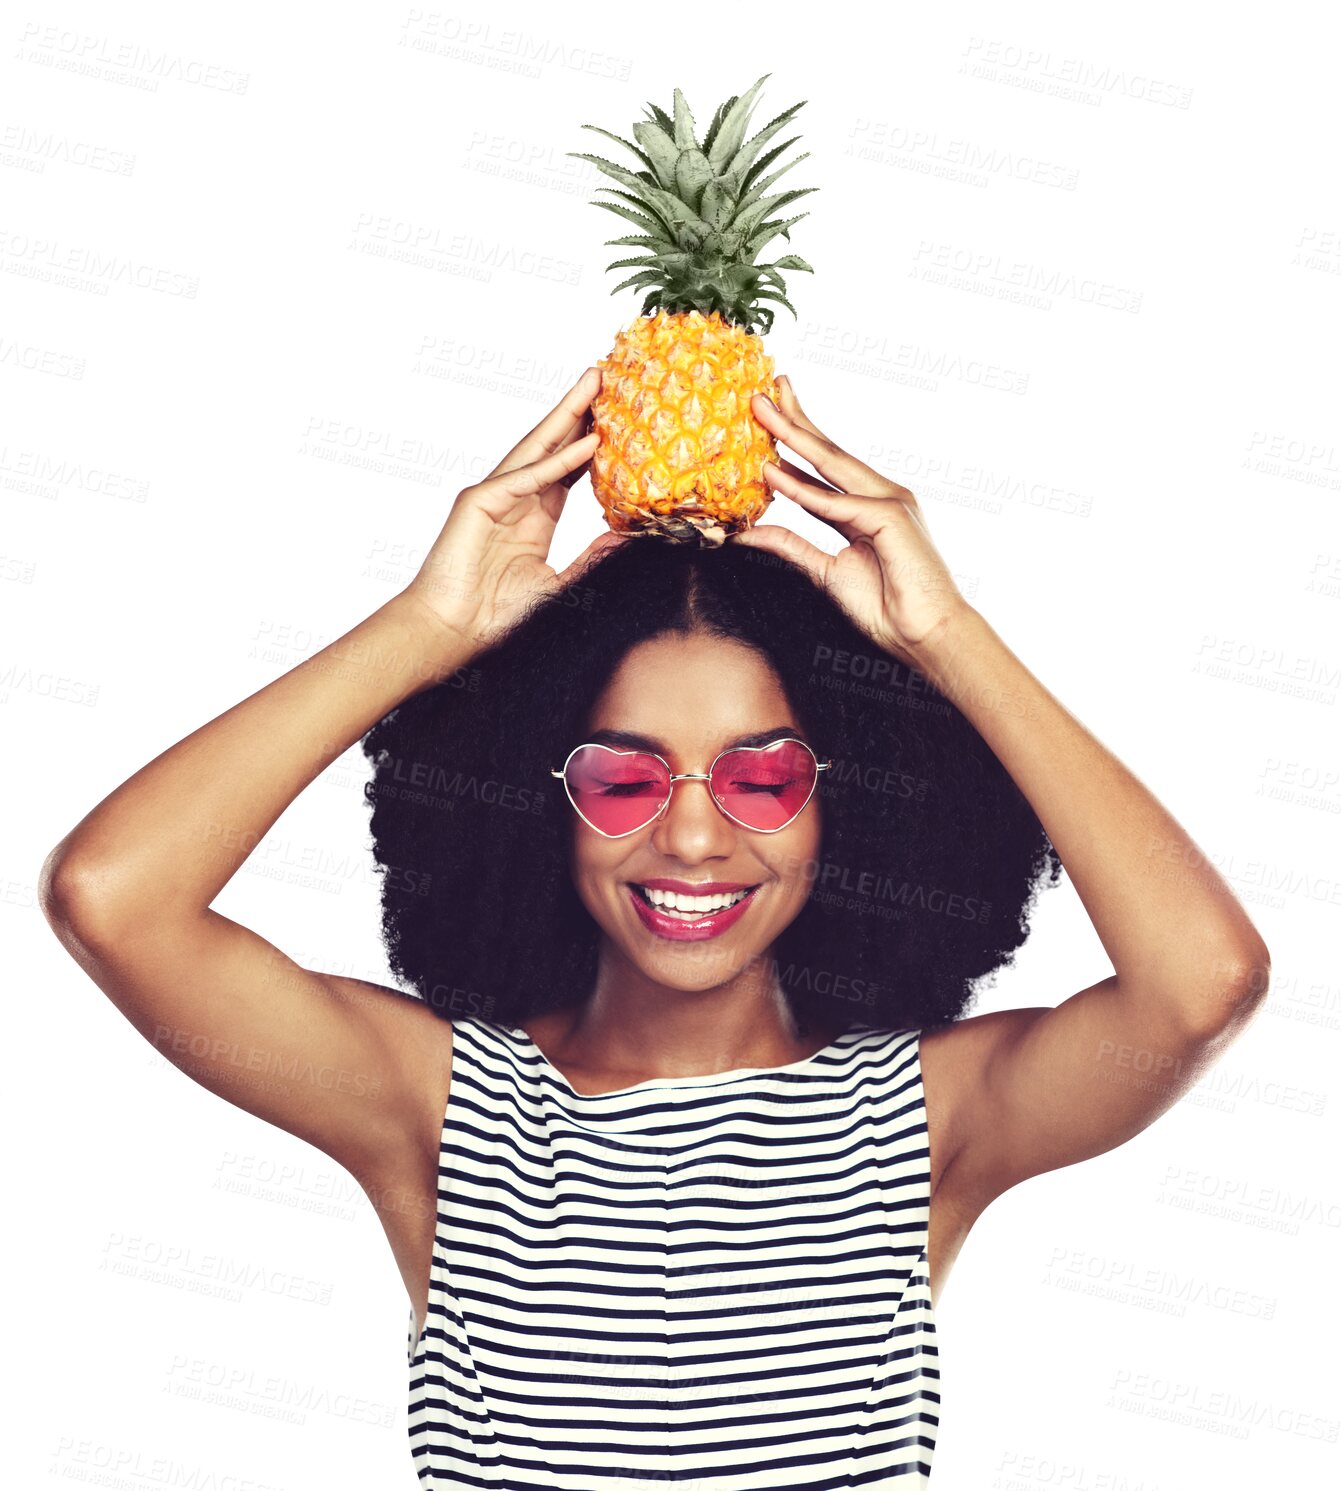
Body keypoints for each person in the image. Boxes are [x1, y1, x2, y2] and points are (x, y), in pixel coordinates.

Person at [40, 368, 1271, 1487]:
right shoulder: (442, 1107)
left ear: (841, 806)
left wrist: (943, 638)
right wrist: (431, 626)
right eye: (626, 780)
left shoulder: (923, 1120)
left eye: (761, 777)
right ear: (548, 802)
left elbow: (1203, 983)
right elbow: (114, 897)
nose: (689, 839)